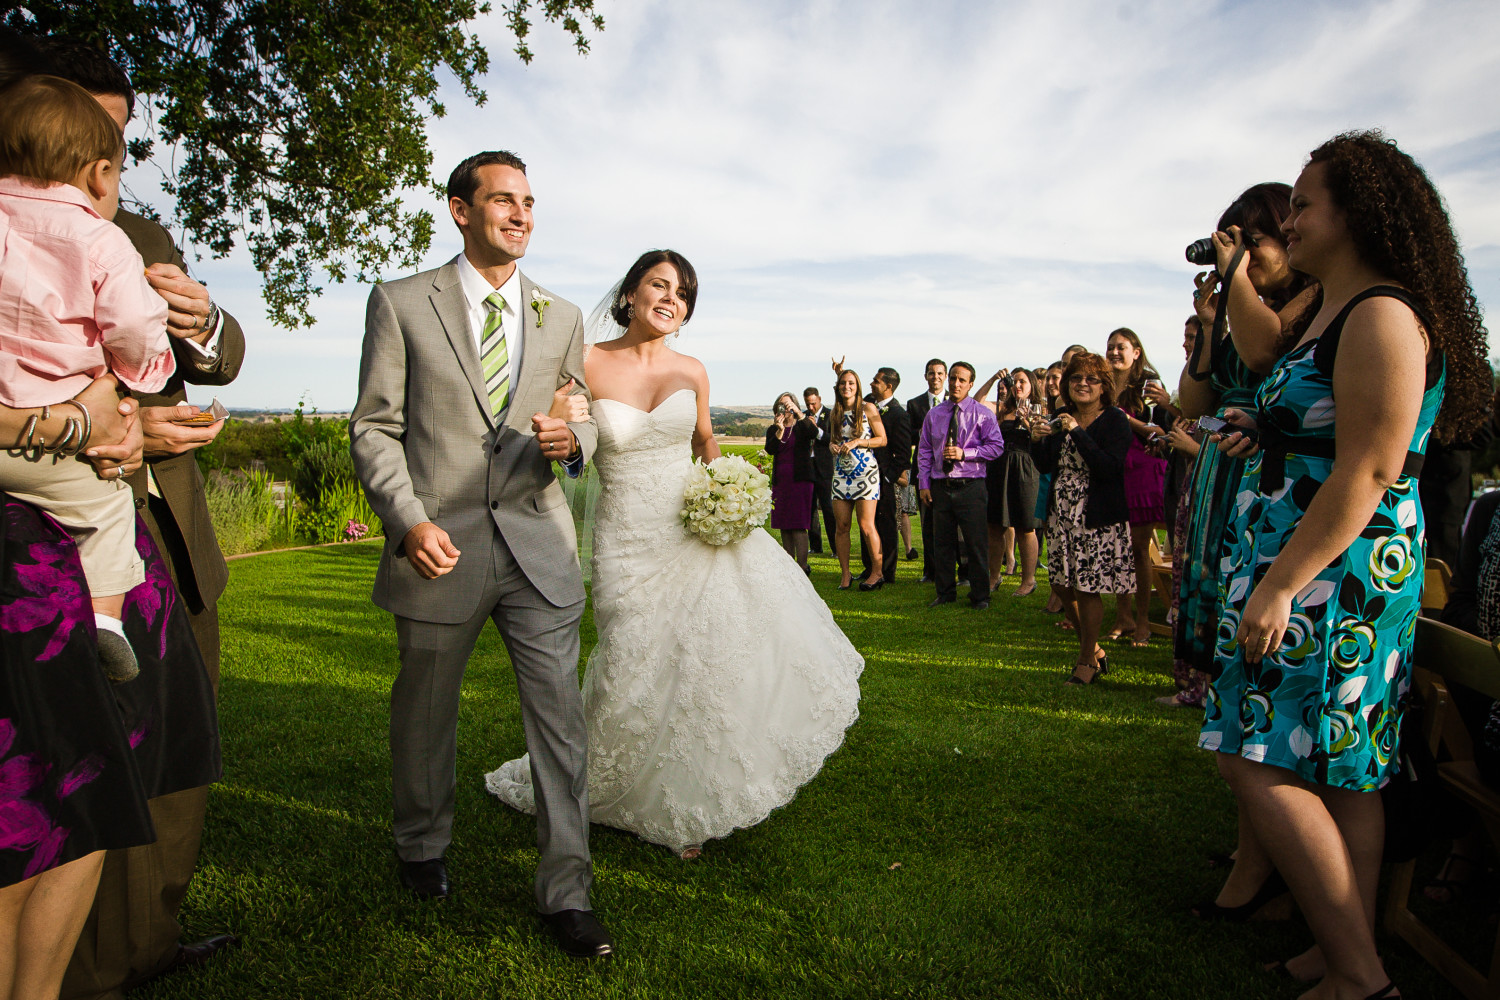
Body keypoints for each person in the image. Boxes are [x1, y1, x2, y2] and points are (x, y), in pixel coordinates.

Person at [1201, 131, 1490, 999]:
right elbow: (1323, 423)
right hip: (1305, 555)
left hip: (1336, 571)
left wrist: (1283, 583)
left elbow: (1370, 466)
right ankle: (1338, 952)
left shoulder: (1384, 313)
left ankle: (1363, 982)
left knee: (1252, 756)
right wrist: (1271, 428)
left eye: (1304, 202)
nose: (1288, 218)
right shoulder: (1335, 305)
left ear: (1357, 216)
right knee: (1341, 770)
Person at [485, 249, 863, 862]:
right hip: (625, 536)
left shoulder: (693, 370)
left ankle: (682, 794)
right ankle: (602, 783)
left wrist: (728, 490)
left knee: (699, 658)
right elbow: (569, 441)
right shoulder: (584, 362)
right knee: (632, 656)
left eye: (683, 292)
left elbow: (705, 438)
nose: (672, 299)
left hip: (692, 525)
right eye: (660, 285)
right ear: (630, 294)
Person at [19, 37, 249, 997]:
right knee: (52, 776)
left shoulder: (140, 229)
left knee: (173, 760)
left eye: (119, 133)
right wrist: (109, 430)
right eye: (89, 125)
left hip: (166, 537)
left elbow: (218, 354)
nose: (106, 155)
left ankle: (144, 945)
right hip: (41, 542)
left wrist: (200, 320)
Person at [348, 150, 610, 959]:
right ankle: (422, 846)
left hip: (539, 548)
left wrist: (576, 439)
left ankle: (567, 892)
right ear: (460, 210)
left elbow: (584, 414)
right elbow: (375, 427)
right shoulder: (399, 303)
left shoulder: (560, 316)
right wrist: (407, 520)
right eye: (503, 200)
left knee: (560, 725)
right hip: (439, 546)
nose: (521, 214)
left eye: (530, 202)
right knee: (424, 714)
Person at [0, 75, 176, 684]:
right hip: (61, 445)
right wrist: (140, 371)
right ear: (102, 174)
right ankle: (105, 620)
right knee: (107, 508)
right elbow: (133, 325)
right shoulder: (103, 240)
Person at [1173, 182, 1320, 717]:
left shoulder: (1314, 300)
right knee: (1209, 572)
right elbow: (1195, 398)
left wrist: (1235, 278)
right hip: (1223, 457)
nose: (1243, 254)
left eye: (1253, 240)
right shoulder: (1244, 312)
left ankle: (1246, 692)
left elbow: (1264, 354)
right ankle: (1211, 687)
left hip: (1269, 468)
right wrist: (1212, 327)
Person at [1030, 353, 1134, 684]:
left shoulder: (1115, 419)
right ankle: (1094, 648)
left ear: (1104, 386)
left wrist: (1076, 431)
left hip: (1097, 514)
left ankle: (1086, 659)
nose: (1083, 384)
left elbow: (1107, 467)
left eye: (1091, 379)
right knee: (1061, 585)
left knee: (1088, 588)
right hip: (1062, 513)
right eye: (1076, 378)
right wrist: (1037, 441)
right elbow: (1046, 465)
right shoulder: (1061, 416)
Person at [916, 361, 1003, 610]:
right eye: (953, 378)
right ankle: (944, 592)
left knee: (976, 543)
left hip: (971, 485)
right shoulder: (934, 415)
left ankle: (980, 596)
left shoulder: (983, 414)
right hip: (941, 486)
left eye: (961, 380)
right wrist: (924, 482)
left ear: (971, 384)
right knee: (941, 542)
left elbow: (996, 447)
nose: (955, 383)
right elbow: (923, 450)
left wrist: (966, 453)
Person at [1103, 328, 1169, 648]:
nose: (1114, 352)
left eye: (1121, 347)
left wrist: (1124, 419)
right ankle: (1123, 615)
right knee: (1117, 550)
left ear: (1136, 352)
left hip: (1142, 469)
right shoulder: (1102, 385)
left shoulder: (1148, 383)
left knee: (1138, 549)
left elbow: (1159, 430)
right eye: (1110, 347)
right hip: (1112, 472)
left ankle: (1143, 620)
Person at [976, 366, 1041, 596]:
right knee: (995, 525)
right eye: (1016, 382)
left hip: (1025, 470)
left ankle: (1028, 580)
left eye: (1024, 382)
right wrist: (994, 377)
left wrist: (1030, 422)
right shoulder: (1002, 409)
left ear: (1032, 385)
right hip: (999, 469)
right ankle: (994, 576)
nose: (1019, 386)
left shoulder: (1039, 411)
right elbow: (977, 400)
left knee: (1025, 527)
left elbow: (1041, 441)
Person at [828, 368, 888, 591]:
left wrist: (857, 442)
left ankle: (877, 572)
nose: (847, 387)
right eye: (843, 383)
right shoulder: (835, 411)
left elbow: (882, 439)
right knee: (841, 525)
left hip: (865, 473)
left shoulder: (868, 408)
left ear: (858, 386)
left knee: (866, 525)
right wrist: (833, 445)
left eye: (851, 383)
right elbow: (832, 440)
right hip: (841, 473)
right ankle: (845, 574)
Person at [859, 366, 910, 586]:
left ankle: (887, 571)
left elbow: (904, 455)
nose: (872, 383)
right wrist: (840, 375)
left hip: (883, 480)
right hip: (865, 477)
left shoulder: (899, 414)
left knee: (886, 525)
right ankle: (869, 567)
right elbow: (855, 395)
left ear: (889, 386)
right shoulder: (869, 405)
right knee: (866, 523)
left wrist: (887, 478)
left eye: (876, 381)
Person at [764, 391, 816, 573]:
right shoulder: (773, 429)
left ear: (794, 406)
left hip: (800, 482)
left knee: (798, 525)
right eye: (781, 405)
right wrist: (779, 430)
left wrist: (800, 414)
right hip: (781, 483)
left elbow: (814, 432)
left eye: (788, 405)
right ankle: (789, 567)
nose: (784, 409)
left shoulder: (802, 426)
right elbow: (770, 449)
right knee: (784, 526)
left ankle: (802, 567)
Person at [906, 359, 946, 582]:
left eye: (940, 373)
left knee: (954, 526)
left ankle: (962, 570)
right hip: (925, 473)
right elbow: (908, 435)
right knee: (928, 524)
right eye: (932, 373)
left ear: (945, 376)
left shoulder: (955, 400)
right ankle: (930, 571)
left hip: (951, 472)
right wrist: (924, 431)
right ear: (925, 376)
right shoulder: (915, 404)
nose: (936, 377)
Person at [802, 386, 836, 555]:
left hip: (825, 468)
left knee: (828, 509)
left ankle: (836, 548)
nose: (811, 408)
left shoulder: (831, 415)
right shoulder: (803, 416)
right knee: (810, 510)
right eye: (808, 404)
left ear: (820, 399)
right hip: (808, 467)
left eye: (813, 404)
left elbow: (832, 438)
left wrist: (816, 430)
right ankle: (816, 546)